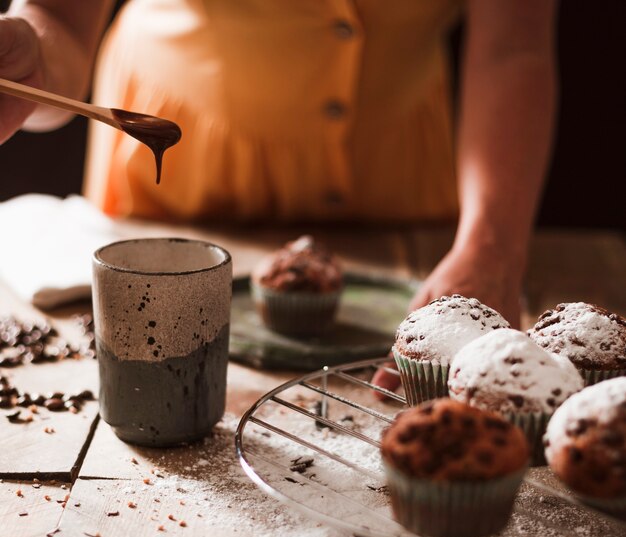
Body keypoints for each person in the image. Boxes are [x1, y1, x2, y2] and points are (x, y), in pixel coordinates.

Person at [0, 0, 557, 388]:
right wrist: (32, 53)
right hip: (181, 152)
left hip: (403, 162)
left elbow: (515, 42)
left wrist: (493, 246)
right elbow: (61, 19)